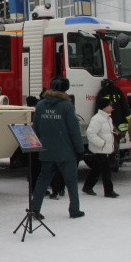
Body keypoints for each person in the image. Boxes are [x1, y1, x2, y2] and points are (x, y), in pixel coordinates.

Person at [30, 77, 86, 219]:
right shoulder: (67, 106)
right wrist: (79, 149)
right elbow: (74, 130)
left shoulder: (41, 105)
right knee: (71, 182)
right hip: (66, 152)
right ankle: (74, 210)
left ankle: (35, 209)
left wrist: (38, 147)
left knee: (42, 181)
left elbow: (35, 127)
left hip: (47, 151)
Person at [83, 98, 119, 198]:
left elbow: (105, 132)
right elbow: (90, 133)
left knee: (96, 169)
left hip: (105, 149)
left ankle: (87, 186)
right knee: (106, 171)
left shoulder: (108, 118)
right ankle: (109, 191)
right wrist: (101, 143)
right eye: (110, 105)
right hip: (101, 149)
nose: (112, 107)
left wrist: (114, 134)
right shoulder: (97, 119)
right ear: (105, 107)